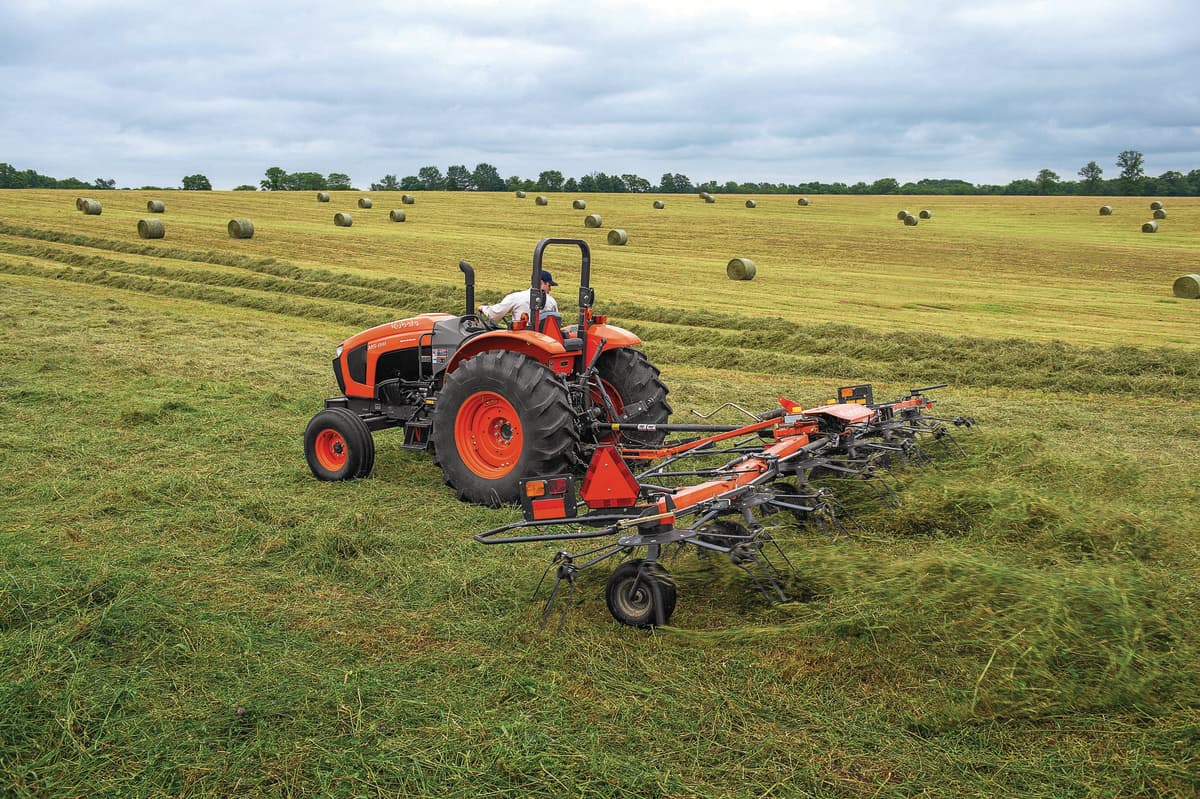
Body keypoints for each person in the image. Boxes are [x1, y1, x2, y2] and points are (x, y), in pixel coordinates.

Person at [478, 270, 559, 324]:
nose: (550, 289)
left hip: (522, 340)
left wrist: (483, 308)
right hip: (544, 340)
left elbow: (494, 314)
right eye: (549, 286)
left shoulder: (516, 298)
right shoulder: (552, 301)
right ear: (541, 282)